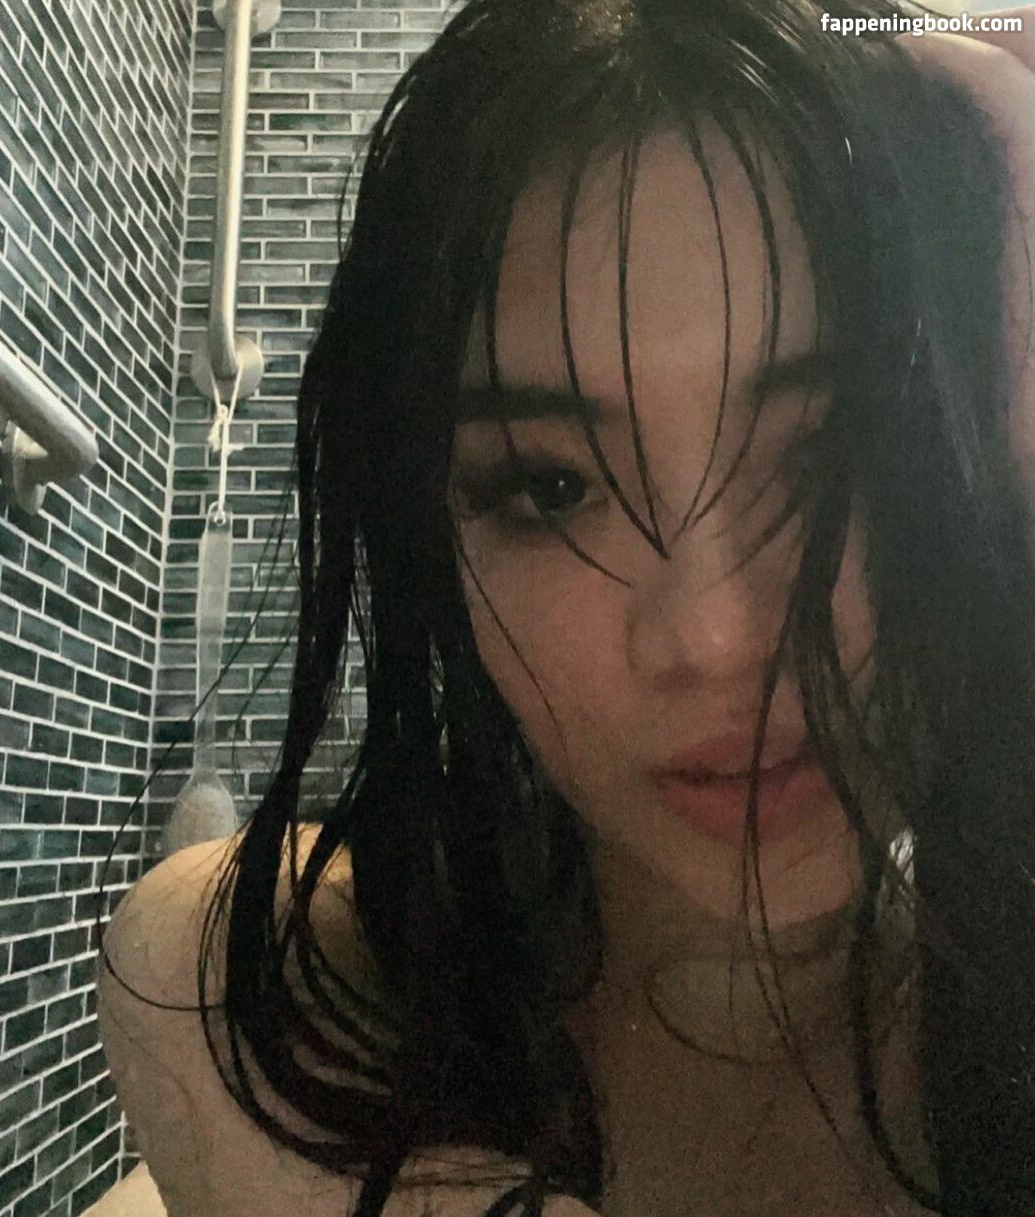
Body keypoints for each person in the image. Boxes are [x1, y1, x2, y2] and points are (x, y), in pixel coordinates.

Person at [95, 1, 1035, 1214]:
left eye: (829, 455)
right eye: (549, 487)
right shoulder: (273, 986)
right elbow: (188, 949)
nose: (715, 635)